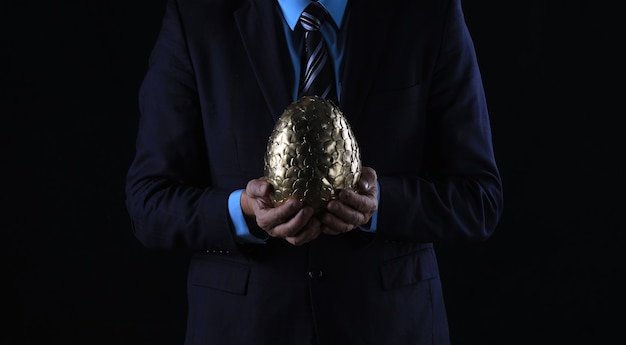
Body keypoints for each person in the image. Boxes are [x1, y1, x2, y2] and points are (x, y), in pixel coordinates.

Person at [125, 0, 503, 344]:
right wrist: (242, 212)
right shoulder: (197, 18)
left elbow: (479, 198)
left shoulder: (427, 14)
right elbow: (149, 202)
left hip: (390, 327)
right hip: (243, 328)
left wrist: (380, 206)